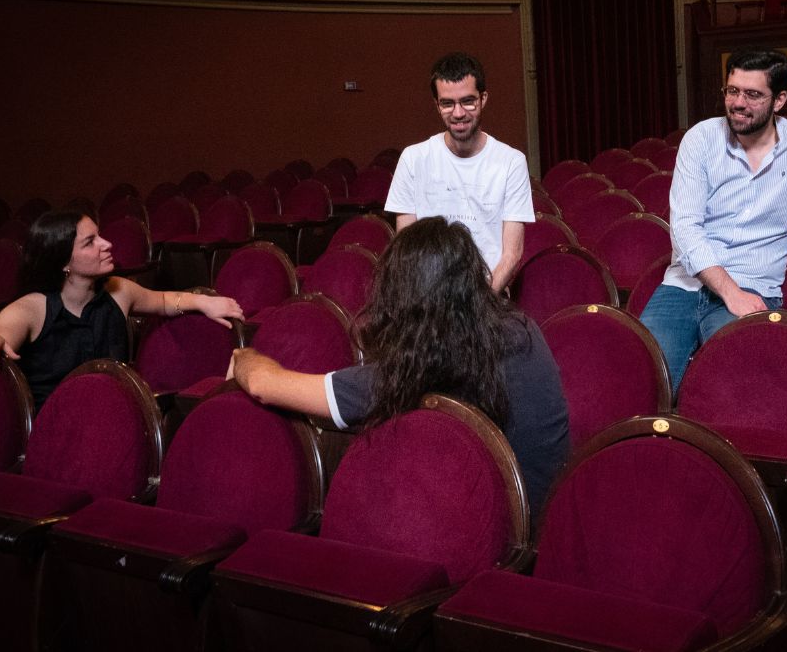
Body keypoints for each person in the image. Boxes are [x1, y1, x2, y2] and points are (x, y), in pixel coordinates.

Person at [227, 216, 570, 512]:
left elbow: (263, 385)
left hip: (508, 534)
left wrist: (244, 356)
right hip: (545, 517)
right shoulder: (522, 329)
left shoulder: (426, 364)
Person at [640, 47, 787, 391]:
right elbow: (685, 228)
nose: (738, 103)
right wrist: (730, 292)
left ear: (779, 100)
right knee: (644, 378)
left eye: (753, 95)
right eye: (732, 91)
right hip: (684, 285)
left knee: (735, 381)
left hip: (754, 284)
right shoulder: (700, 140)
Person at [0, 208, 244, 406]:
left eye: (100, 236)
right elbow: (1, 338)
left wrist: (204, 301)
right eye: (90, 242)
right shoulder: (28, 310)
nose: (106, 244)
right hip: (54, 430)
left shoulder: (118, 290)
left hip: (115, 415)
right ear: (63, 262)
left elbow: (162, 301)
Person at [385, 52, 535, 292]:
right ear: (437, 105)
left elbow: (512, 255)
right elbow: (407, 250)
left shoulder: (511, 162)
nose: (458, 113)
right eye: (447, 103)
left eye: (467, 101)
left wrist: (479, 305)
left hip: (488, 296)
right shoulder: (413, 159)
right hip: (428, 298)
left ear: (483, 98)